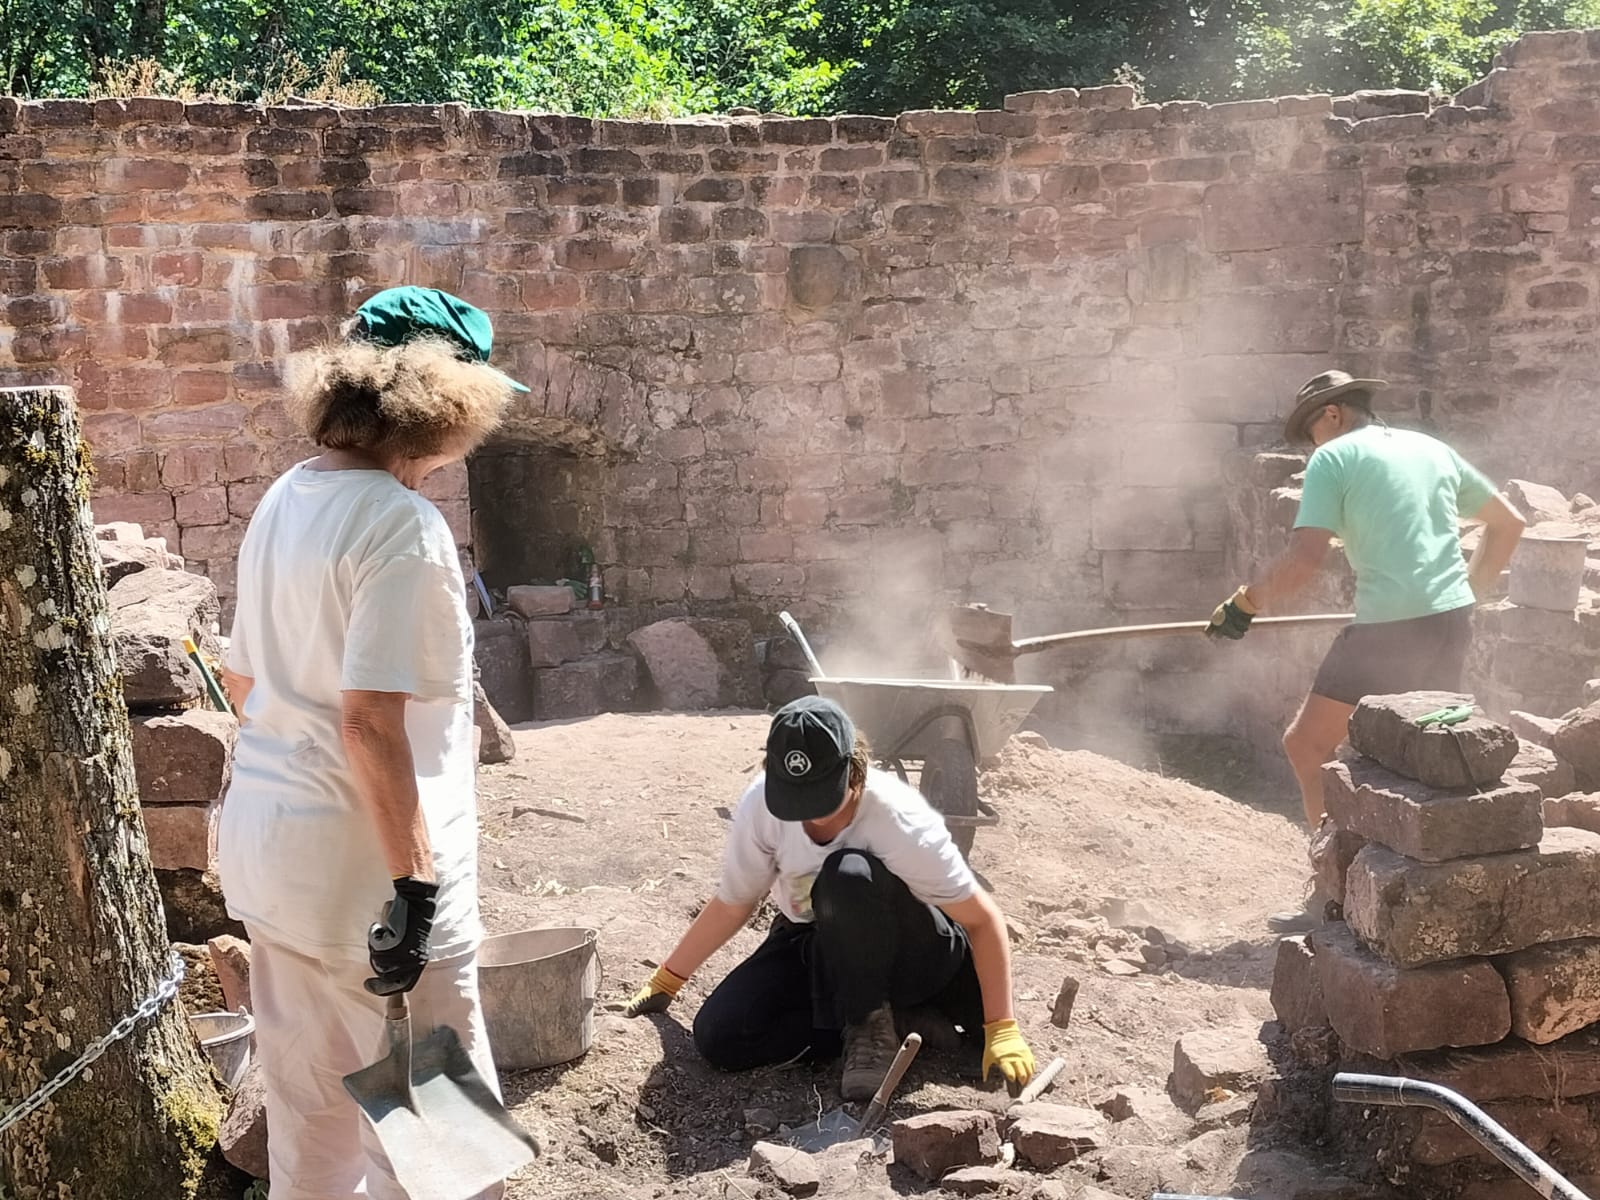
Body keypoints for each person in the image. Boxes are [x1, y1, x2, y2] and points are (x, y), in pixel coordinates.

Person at [217, 286, 528, 1199]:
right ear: (447, 399)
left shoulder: (285, 498)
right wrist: (416, 889)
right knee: (448, 1169)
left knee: (311, 1147)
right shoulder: (403, 526)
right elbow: (367, 720)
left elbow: (242, 686)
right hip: (376, 900)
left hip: (275, 873)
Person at [1206, 371, 1525, 929]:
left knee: (1308, 744)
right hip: (1450, 622)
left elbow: (1304, 559)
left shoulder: (1333, 458)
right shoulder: (1430, 449)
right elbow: (1509, 524)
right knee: (1417, 760)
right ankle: (1410, 899)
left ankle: (1332, 893)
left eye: (1312, 433)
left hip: (1387, 631)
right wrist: (1464, 595)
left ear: (1332, 415)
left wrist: (1244, 604)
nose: (1312, 448)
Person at [621, 696, 1036, 1100]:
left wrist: (1002, 1027)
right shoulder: (759, 807)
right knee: (721, 1036)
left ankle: (872, 1023)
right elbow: (734, 903)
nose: (810, 815)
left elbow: (982, 919)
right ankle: (898, 1022)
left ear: (856, 772)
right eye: (796, 800)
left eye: (822, 797)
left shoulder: (900, 817)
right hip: (821, 940)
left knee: (845, 875)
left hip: (912, 949)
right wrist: (668, 979)